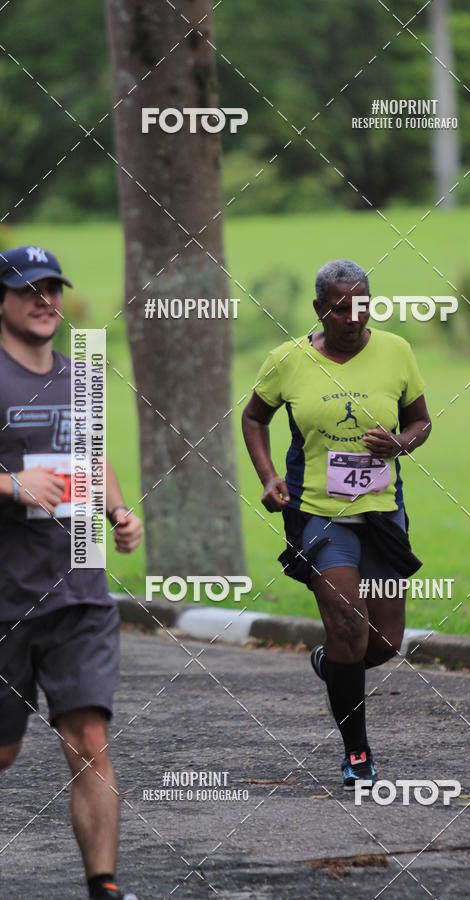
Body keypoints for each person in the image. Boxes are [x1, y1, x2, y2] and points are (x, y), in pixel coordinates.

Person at [242, 259, 432, 789]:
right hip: (319, 514)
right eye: (342, 308)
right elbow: (254, 416)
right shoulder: (289, 360)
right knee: (349, 624)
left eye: (363, 305)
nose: (354, 317)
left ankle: (333, 665)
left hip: (381, 513)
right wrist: (267, 475)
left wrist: (402, 443)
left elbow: (421, 420)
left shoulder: (397, 351)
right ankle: (357, 755)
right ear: (319, 309)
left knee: (383, 643)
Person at [0, 246, 143, 900]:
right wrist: (11, 484)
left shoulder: (80, 373)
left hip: (78, 589)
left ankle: (104, 887)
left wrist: (117, 510)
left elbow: (94, 454)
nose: (44, 300)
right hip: (5, 600)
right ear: (3, 299)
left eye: (52, 288)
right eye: (29, 289)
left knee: (88, 737)